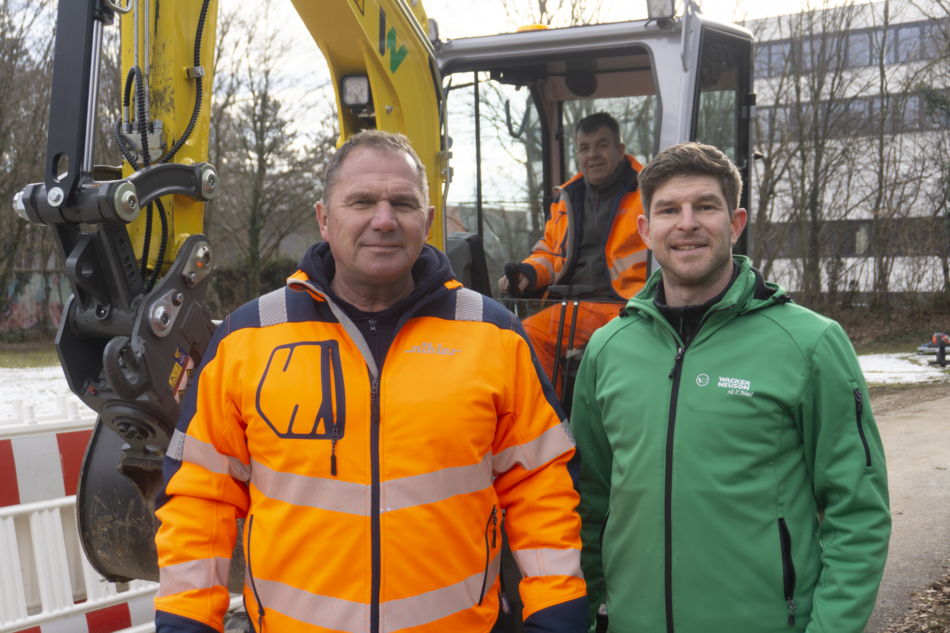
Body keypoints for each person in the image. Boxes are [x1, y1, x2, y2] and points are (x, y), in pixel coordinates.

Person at [153, 130, 588, 633]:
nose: (384, 220)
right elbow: (199, 498)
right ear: (323, 218)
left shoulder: (494, 336)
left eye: (402, 203)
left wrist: (557, 617)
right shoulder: (247, 338)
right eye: (361, 201)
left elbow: (542, 488)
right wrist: (186, 623)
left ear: (426, 222)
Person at [571, 142, 891, 633]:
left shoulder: (810, 343)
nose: (687, 223)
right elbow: (588, 506)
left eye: (705, 206)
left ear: (736, 223)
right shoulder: (607, 348)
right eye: (668, 210)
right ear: (645, 230)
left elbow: (859, 512)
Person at [498, 112, 648, 391]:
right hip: (577, 308)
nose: (593, 155)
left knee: (614, 354)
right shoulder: (567, 198)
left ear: (620, 150)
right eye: (584, 147)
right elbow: (551, 253)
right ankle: (550, 421)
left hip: (633, 305)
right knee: (526, 334)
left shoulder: (649, 193)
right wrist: (528, 272)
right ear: (577, 154)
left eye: (602, 145)